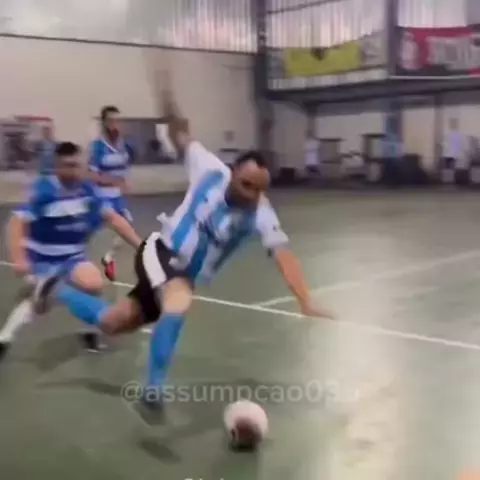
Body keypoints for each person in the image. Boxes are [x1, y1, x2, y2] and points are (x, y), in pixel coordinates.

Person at [31, 84, 334, 411]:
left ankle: (56, 290)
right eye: (247, 185)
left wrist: (305, 300)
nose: (253, 195)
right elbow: (182, 135)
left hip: (182, 274)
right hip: (160, 251)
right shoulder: (210, 169)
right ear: (233, 173)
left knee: (112, 322)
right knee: (179, 298)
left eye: (260, 189)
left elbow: (283, 255)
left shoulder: (261, 213)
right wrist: (169, 102)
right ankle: (153, 392)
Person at [0, 142, 142, 359]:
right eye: (68, 166)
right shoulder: (44, 191)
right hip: (42, 259)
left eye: (77, 165)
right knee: (38, 305)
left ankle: (88, 332)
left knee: (94, 283)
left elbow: (113, 219)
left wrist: (141, 245)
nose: (74, 171)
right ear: (57, 166)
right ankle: (5, 338)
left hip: (72, 257)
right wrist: (19, 258)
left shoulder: (88, 190)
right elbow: (16, 223)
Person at [89, 106, 134, 282]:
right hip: (102, 196)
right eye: (111, 120)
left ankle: (108, 258)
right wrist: (113, 181)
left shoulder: (124, 146)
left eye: (117, 120)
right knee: (94, 231)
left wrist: (125, 182)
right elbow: (93, 176)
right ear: (104, 123)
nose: (115, 124)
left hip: (117, 197)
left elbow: (125, 168)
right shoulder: (98, 147)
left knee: (127, 227)